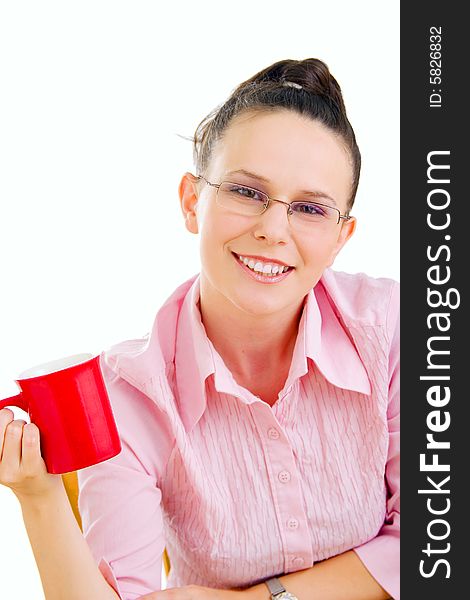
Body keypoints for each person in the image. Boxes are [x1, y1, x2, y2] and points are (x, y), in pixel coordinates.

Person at [0, 58, 399, 600]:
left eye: (309, 208)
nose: (273, 230)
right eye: (246, 192)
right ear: (193, 201)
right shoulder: (131, 393)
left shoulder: (394, 330)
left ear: (340, 238)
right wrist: (39, 497)